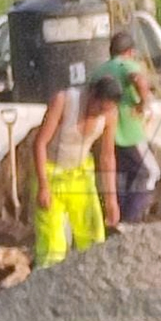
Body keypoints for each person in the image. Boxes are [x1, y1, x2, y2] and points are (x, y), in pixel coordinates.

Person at [30, 75, 122, 268]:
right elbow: (39, 143)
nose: (100, 114)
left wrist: (111, 200)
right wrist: (43, 186)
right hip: (51, 175)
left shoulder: (110, 115)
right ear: (92, 95)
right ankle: (46, 284)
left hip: (80, 177)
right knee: (52, 244)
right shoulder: (64, 101)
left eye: (106, 110)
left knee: (92, 235)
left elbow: (107, 156)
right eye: (99, 108)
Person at [92, 32, 161, 223]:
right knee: (150, 173)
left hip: (107, 134)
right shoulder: (126, 64)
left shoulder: (100, 70)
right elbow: (138, 78)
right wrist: (143, 103)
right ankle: (130, 220)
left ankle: (118, 218)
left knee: (122, 177)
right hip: (128, 130)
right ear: (130, 52)